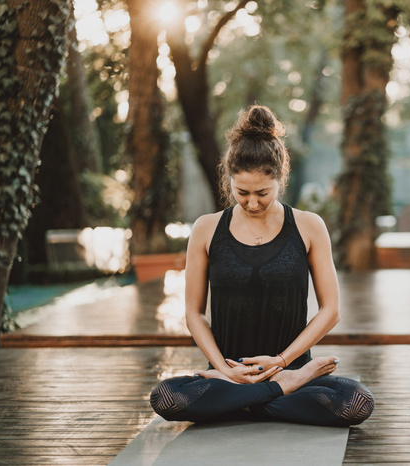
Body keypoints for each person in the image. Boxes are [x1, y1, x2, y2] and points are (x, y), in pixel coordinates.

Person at [149, 105, 374, 427]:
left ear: (280, 178)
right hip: (227, 374)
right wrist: (224, 370)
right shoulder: (206, 228)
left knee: (357, 402)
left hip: (292, 367)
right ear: (229, 181)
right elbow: (194, 314)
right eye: (242, 193)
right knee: (166, 397)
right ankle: (278, 392)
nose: (252, 203)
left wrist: (284, 363)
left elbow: (331, 311)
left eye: (262, 193)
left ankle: (247, 400)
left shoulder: (309, 226)